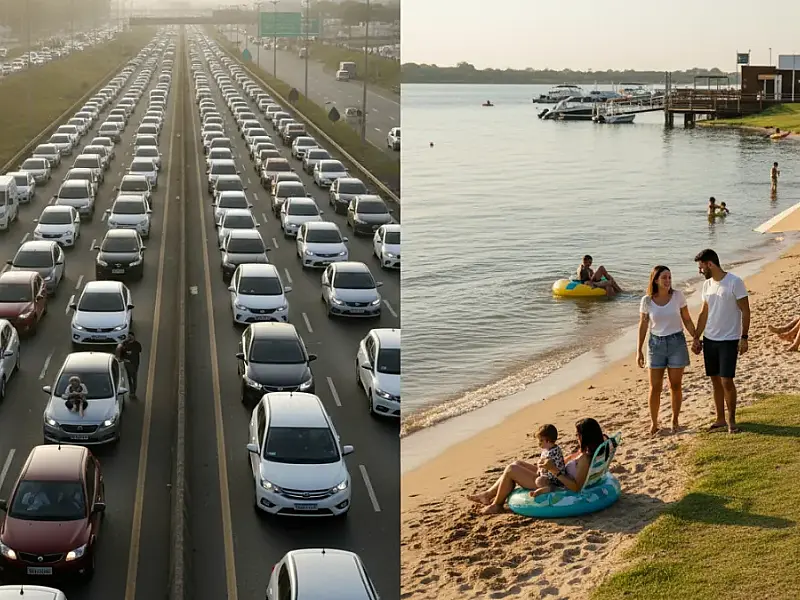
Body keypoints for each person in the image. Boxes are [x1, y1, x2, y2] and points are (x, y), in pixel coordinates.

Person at [467, 418, 606, 514]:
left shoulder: (585, 459)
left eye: (578, 435)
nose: (576, 437)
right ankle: (487, 495)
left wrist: (554, 470)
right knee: (517, 463)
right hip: (555, 474)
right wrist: (553, 465)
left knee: (511, 470)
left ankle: (497, 505)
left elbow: (576, 487)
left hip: (554, 483)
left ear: (586, 436)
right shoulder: (592, 450)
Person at [692, 249, 750, 434]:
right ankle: (720, 419)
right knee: (715, 381)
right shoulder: (707, 285)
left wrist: (744, 337)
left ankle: (732, 421)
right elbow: (704, 312)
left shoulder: (734, 282)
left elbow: (746, 310)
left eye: (701, 267)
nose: (700, 271)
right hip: (710, 340)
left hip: (729, 340)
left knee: (726, 381)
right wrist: (696, 337)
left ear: (710, 264)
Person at [636, 266, 698, 435]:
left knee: (675, 385)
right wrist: (639, 350)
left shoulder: (678, 296)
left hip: (677, 342)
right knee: (654, 387)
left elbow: (687, 319)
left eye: (669, 277)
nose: (668, 280)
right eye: (664, 277)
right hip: (655, 345)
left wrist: (695, 336)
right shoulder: (647, 301)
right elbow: (643, 325)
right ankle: (654, 423)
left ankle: (675, 420)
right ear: (655, 279)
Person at [530, 424, 565, 497]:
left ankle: (550, 488)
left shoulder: (553, 452)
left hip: (555, 479)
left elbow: (547, 466)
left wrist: (540, 465)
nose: (539, 443)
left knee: (539, 481)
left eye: (541, 441)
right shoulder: (546, 449)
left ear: (548, 441)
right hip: (547, 475)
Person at [116, 332, 143, 399]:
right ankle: (132, 392)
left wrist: (129, 353)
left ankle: (133, 392)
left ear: (134, 337)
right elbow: (120, 350)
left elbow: (138, 351)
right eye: (129, 336)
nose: (130, 338)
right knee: (129, 378)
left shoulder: (137, 344)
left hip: (134, 363)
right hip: (127, 363)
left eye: (131, 336)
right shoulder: (125, 343)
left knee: (133, 377)